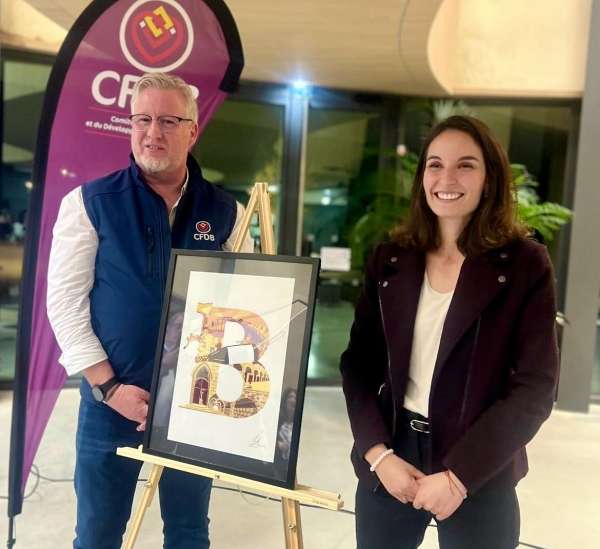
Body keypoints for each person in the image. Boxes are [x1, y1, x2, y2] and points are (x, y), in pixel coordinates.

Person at [47, 72, 254, 549]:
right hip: (110, 404)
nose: (152, 133)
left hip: (194, 407)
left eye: (167, 120)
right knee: (97, 534)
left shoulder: (228, 213)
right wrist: (111, 388)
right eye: (142, 119)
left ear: (192, 131)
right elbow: (64, 305)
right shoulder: (90, 204)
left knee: (187, 533)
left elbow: (244, 308)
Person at [340, 115, 559, 549]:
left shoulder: (524, 266)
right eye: (435, 164)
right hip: (392, 454)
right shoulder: (390, 259)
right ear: (423, 177)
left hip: (480, 461)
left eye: (466, 165)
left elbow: (535, 387)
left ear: (489, 179)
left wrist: (459, 477)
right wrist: (378, 454)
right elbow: (358, 364)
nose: (447, 178)